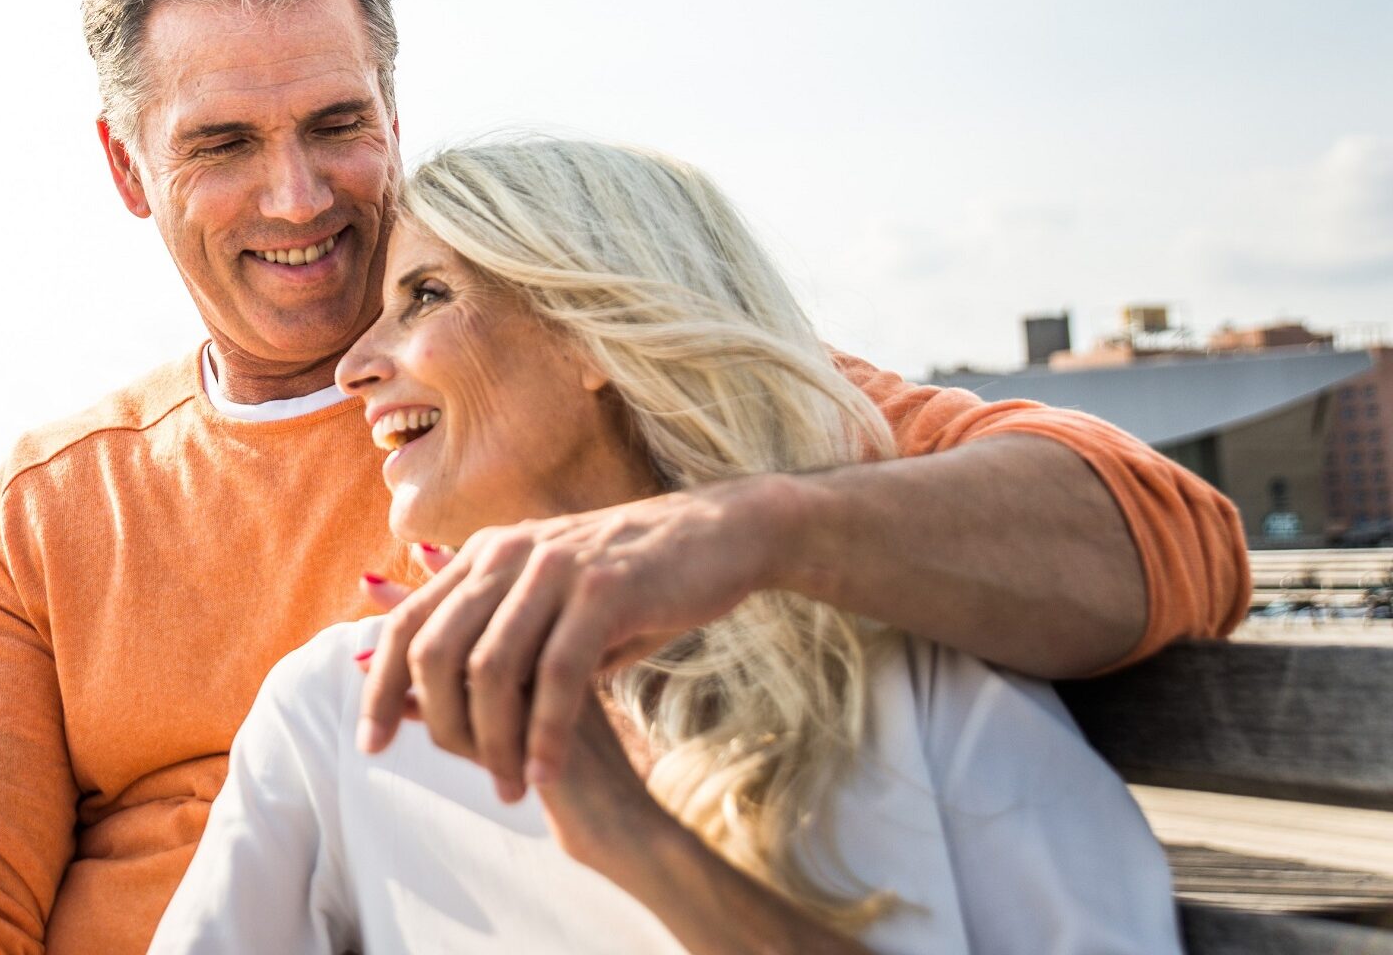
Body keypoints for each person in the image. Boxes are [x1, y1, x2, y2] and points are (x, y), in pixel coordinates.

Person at [0, 0, 1246, 952]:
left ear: (393, 111)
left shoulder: (639, 390)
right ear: (129, 167)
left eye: (338, 122)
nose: (301, 194)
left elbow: (1162, 532)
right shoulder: (55, 509)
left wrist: (726, 530)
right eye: (223, 144)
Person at [151, 137, 1184, 954]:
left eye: (425, 296)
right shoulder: (340, 710)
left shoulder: (914, 677)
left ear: (593, 334)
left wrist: (631, 841)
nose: (360, 364)